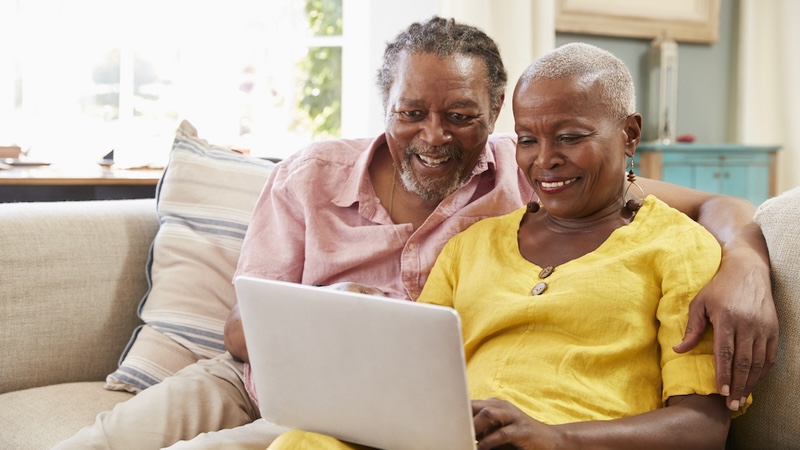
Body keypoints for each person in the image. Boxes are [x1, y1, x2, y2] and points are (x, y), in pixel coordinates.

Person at [54, 17, 777, 450]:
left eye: (460, 116)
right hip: (259, 377)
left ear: (492, 117)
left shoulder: (533, 174)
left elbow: (700, 206)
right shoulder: (314, 177)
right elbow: (245, 331)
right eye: (411, 114)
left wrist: (745, 258)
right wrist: (340, 318)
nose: (434, 136)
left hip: (381, 410)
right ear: (387, 107)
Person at [267, 41, 745, 450]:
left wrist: (556, 437)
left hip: (574, 443)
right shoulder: (471, 245)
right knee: (303, 441)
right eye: (527, 140)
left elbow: (703, 426)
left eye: (570, 138)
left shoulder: (678, 249)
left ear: (629, 134)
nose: (545, 160)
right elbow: (416, 381)